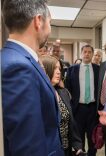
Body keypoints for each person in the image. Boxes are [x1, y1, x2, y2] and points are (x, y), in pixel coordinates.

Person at [1, 0, 64, 155]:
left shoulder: (15, 58)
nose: (49, 29)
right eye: (50, 23)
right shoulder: (18, 67)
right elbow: (27, 146)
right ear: (38, 21)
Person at [41, 55, 84, 156]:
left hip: (66, 149)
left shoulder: (63, 92)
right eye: (54, 68)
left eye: (59, 68)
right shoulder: (39, 95)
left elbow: (71, 122)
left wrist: (77, 146)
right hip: (48, 150)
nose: (58, 72)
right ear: (45, 70)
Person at [65, 45, 99, 156]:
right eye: (85, 52)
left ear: (92, 54)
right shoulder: (72, 70)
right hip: (78, 108)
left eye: (89, 52)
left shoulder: (98, 69)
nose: (87, 54)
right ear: (81, 54)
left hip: (93, 109)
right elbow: (67, 89)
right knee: (78, 138)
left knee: (92, 137)